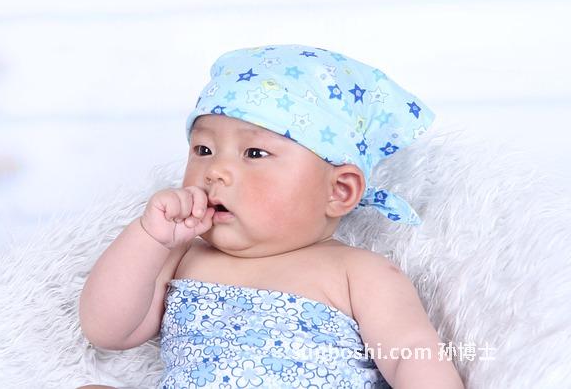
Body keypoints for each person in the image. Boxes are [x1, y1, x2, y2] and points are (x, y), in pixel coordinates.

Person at [78, 44, 464, 388]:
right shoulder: (183, 255)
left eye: (254, 154)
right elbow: (107, 330)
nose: (215, 171)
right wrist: (148, 237)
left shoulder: (357, 272)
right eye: (203, 150)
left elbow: (410, 353)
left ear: (339, 191)